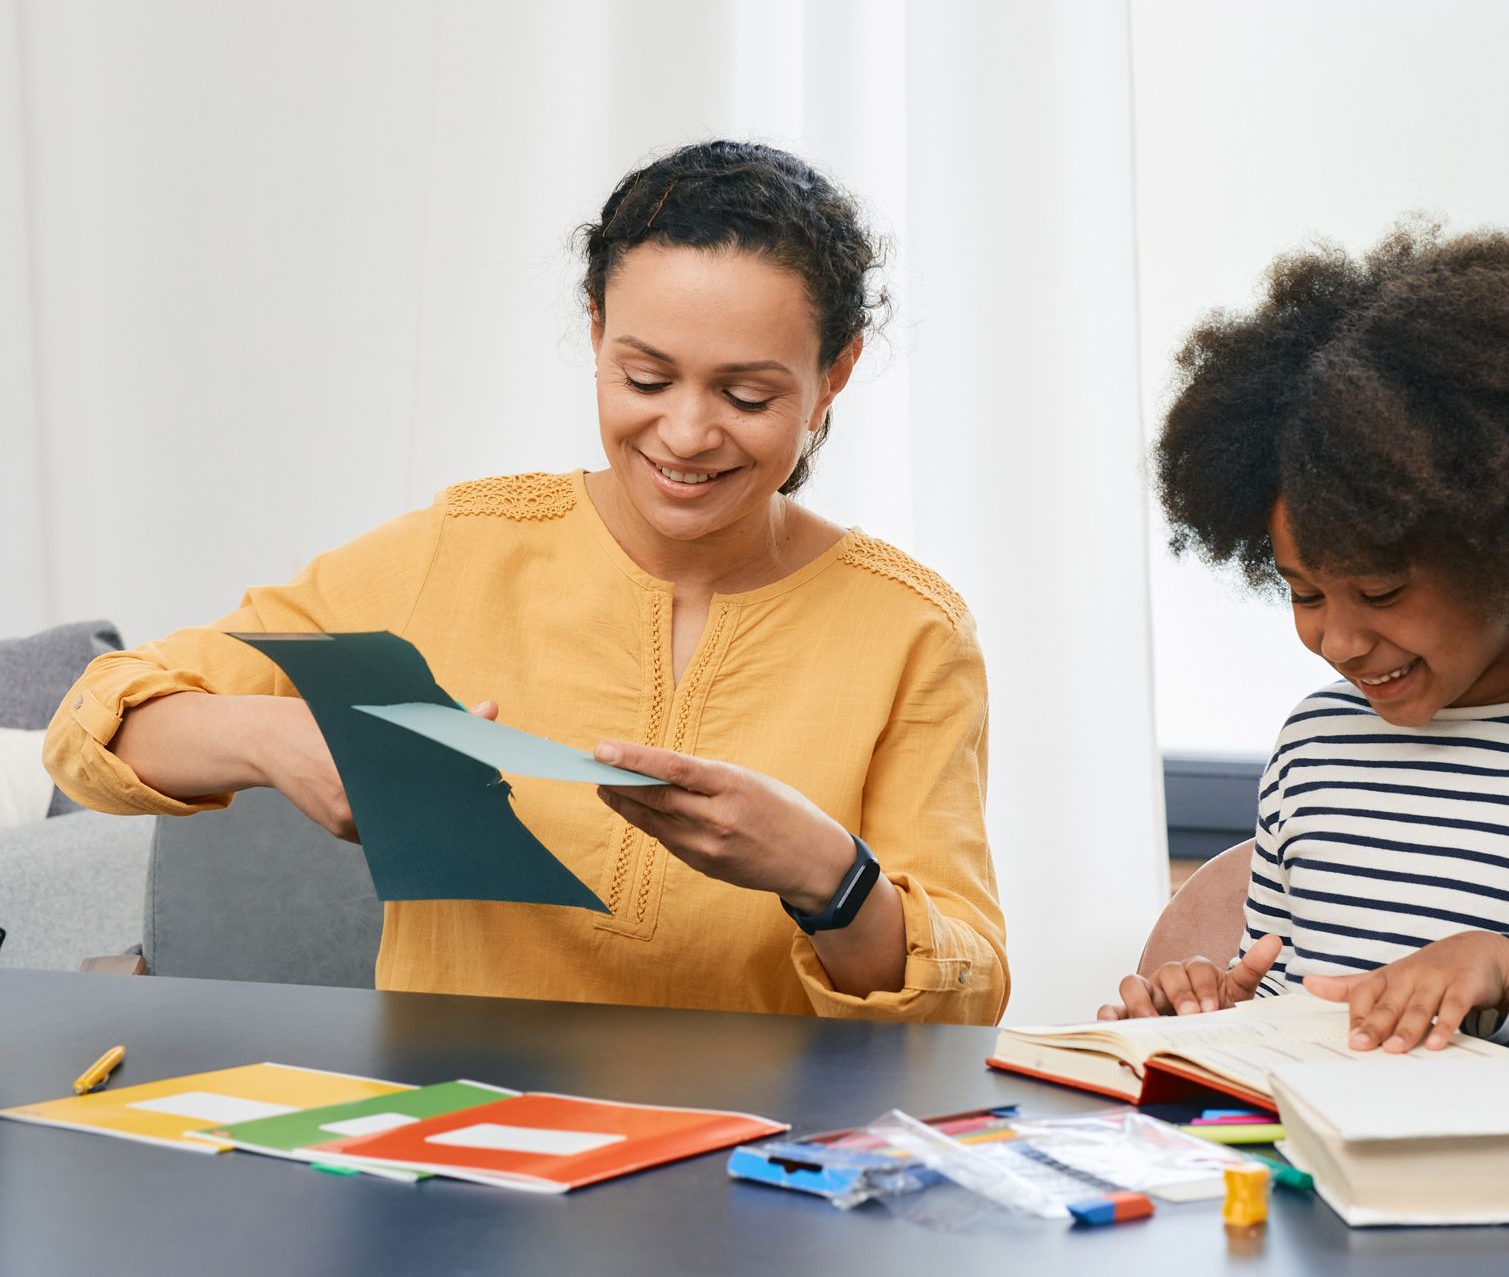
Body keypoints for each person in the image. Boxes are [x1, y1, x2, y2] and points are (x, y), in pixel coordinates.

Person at [45, 141, 1006, 1023]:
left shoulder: (910, 629)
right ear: (595, 334)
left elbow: (968, 999)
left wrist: (828, 876)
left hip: (763, 1163)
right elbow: (92, 726)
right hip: (459, 1143)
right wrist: (271, 737)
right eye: (644, 378)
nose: (685, 433)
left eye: (747, 395)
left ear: (835, 373)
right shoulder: (460, 547)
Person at [1099, 222, 1509, 1063]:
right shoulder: (1315, 749)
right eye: (1302, 592)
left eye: (1380, 590)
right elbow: (1287, 992)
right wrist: (1210, 1009)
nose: (1335, 637)